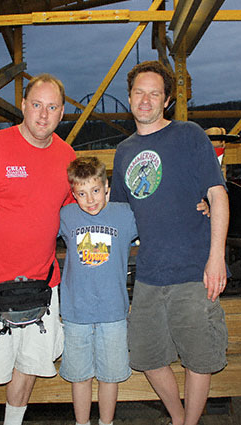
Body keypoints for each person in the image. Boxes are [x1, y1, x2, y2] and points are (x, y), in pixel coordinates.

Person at [0, 73, 76, 425]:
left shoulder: (67, 157)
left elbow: (85, 205)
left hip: (43, 284)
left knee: (31, 363)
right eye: (36, 105)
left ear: (62, 113)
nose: (42, 114)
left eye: (52, 107)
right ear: (23, 105)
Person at [110, 60, 229, 425]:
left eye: (154, 94)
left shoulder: (190, 135)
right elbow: (117, 214)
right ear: (129, 98)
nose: (145, 100)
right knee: (144, 355)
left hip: (194, 270)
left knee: (200, 357)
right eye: (139, 93)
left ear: (166, 100)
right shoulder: (124, 151)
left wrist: (216, 258)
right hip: (148, 274)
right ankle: (178, 417)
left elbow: (218, 194)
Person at [58, 156, 138, 425]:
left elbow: (160, 220)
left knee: (109, 375)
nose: (90, 199)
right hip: (75, 312)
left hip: (113, 311)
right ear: (73, 194)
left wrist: (201, 206)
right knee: (80, 376)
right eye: (81, 193)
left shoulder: (125, 214)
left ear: (107, 188)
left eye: (95, 191)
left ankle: (106, 422)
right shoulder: (66, 215)